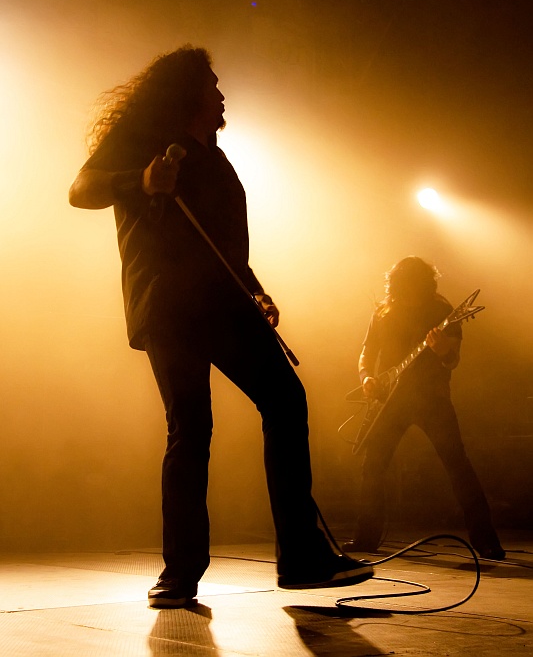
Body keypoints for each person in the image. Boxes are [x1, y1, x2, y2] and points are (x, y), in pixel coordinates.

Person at [69, 45, 373, 608]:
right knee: (192, 430)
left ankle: (300, 558)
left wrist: (254, 289)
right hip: (169, 306)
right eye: (212, 84)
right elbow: (79, 190)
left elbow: (224, 247)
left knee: (283, 401)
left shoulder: (217, 160)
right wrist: (140, 179)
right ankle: (180, 574)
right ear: (187, 92)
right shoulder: (143, 143)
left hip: (223, 302)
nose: (221, 93)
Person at [343, 256, 505, 560]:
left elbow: (452, 360)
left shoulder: (443, 312)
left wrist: (443, 349)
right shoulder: (383, 312)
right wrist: (366, 377)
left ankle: (486, 540)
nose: (408, 295)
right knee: (373, 466)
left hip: (432, 399)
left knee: (458, 466)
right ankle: (366, 538)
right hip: (390, 401)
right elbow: (367, 351)